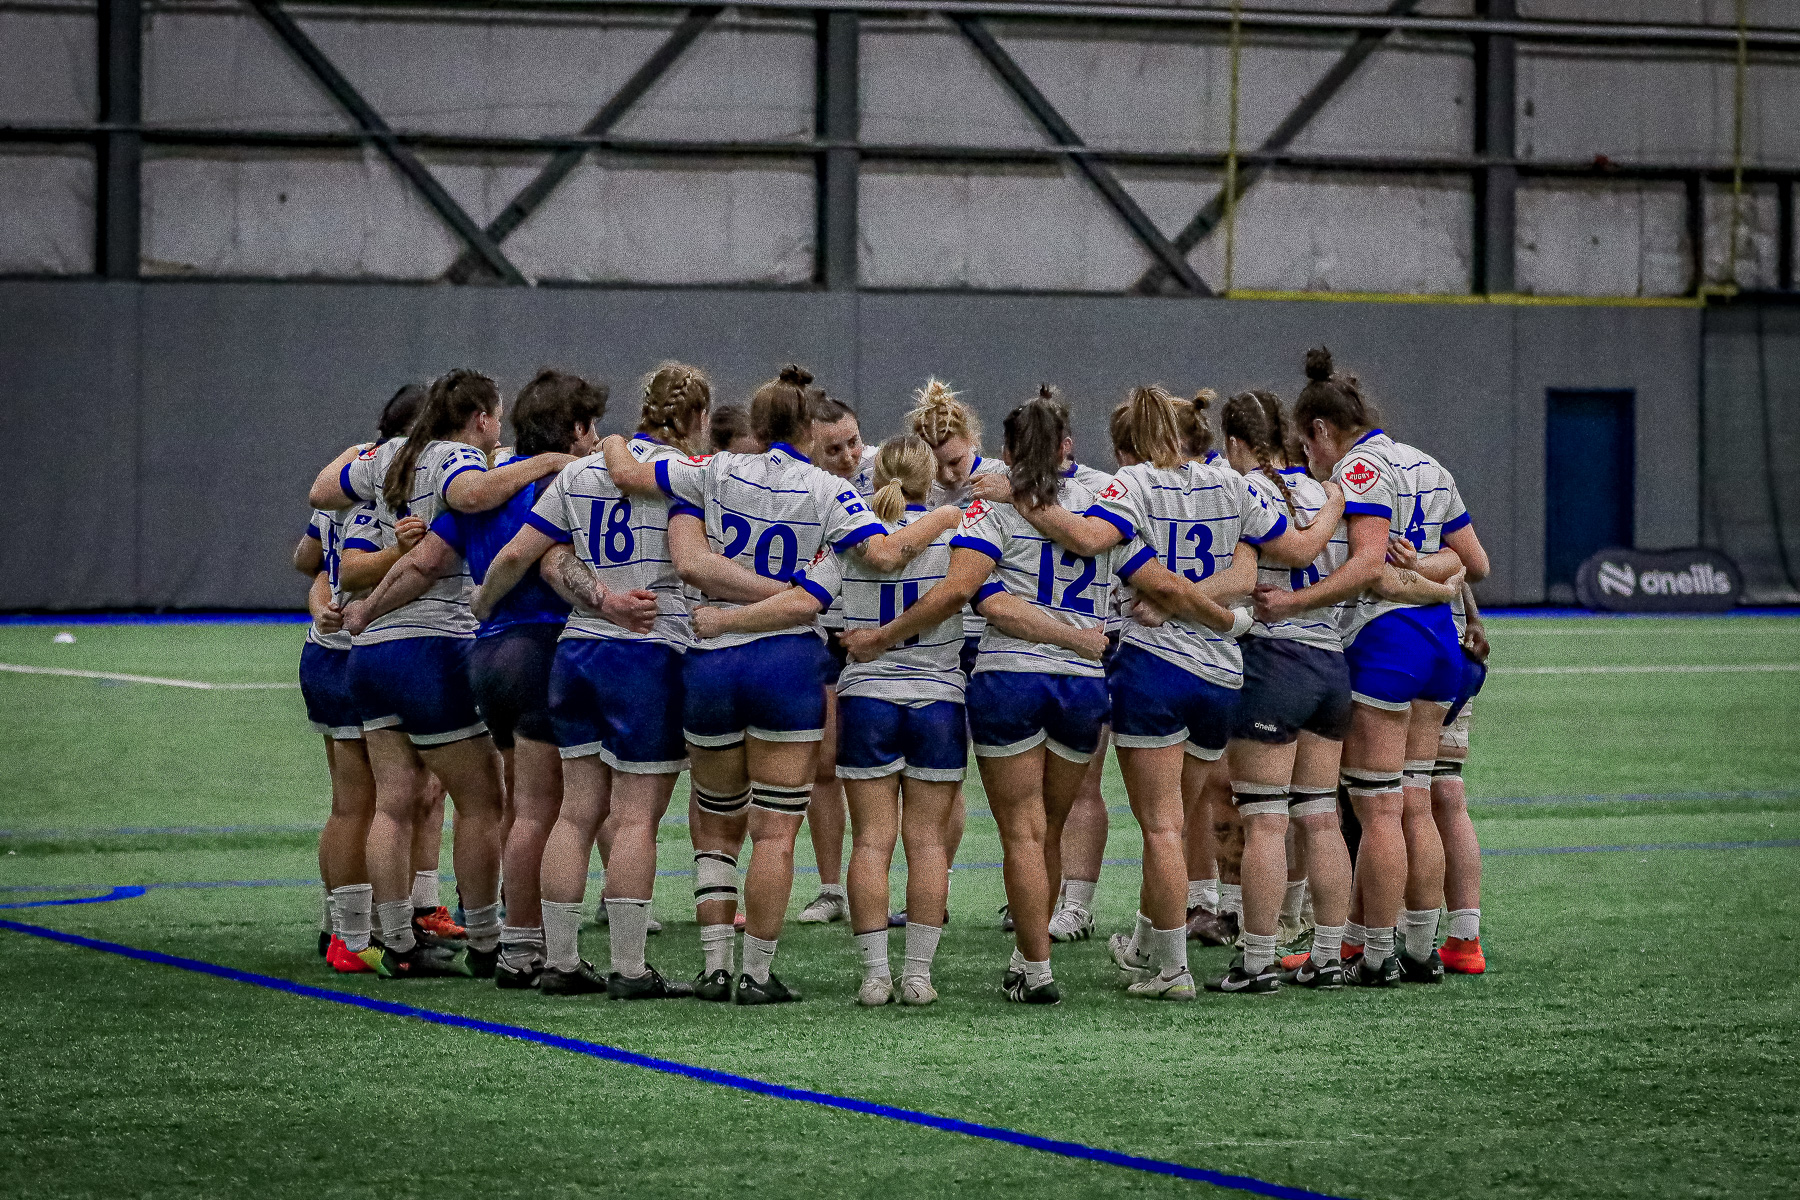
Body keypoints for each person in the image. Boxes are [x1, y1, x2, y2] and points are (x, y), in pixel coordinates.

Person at [697, 434, 1107, 1005]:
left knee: (871, 842)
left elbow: (801, 602)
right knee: (928, 843)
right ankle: (918, 976)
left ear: (872, 479)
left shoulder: (851, 542)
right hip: (938, 701)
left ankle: (874, 976)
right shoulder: (957, 538)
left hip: (867, 700)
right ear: (930, 480)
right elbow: (978, 598)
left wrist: (724, 621)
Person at [850, 388, 1228, 1003]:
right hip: (1081, 685)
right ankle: (1035, 958)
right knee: (1050, 829)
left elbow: (974, 594)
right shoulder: (1107, 499)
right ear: (1066, 446)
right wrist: (1223, 617)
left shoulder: (990, 506)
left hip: (1011, 679)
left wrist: (882, 637)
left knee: (1023, 835)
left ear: (1005, 452)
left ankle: (1036, 969)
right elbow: (1150, 575)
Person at [601, 364, 958, 1004]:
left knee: (716, 828)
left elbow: (629, 474)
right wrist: (948, 514)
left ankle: (714, 967)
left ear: (756, 424)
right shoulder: (830, 491)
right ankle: (758, 974)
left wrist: (605, 440)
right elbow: (883, 554)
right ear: (808, 431)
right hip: (787, 665)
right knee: (775, 831)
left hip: (712, 661)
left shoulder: (711, 470)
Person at [1011, 385, 1323, 999]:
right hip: (1220, 673)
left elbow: (1088, 539)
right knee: (1178, 822)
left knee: (1161, 828)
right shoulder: (1230, 483)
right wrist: (1334, 504)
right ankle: (1148, 944)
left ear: (1129, 446)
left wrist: (1022, 496)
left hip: (1155, 669)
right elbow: (1277, 556)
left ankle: (1171, 968)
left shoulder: (1131, 485)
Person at [343, 369, 606, 988]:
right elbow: (542, 562)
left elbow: (422, 560)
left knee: (412, 803)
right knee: (530, 808)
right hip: (529, 645)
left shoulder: (430, 470)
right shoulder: (538, 477)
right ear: (573, 429)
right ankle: (519, 945)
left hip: (472, 656)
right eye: (591, 426)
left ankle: (391, 936)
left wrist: (366, 609)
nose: (597, 437)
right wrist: (606, 601)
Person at [472, 362, 715, 997]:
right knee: (635, 819)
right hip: (648, 653)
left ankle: (559, 960)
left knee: (575, 814)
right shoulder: (691, 475)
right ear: (697, 416)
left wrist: (483, 604)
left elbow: (525, 555)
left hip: (576, 652)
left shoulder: (578, 473)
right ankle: (630, 968)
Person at [1216, 389, 1461, 991]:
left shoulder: (1248, 490)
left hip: (1275, 659)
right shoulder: (1331, 492)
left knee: (1266, 819)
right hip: (1331, 665)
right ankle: (1330, 954)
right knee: (1324, 817)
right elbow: (1418, 565)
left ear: (1236, 443)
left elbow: (1262, 566)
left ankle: (1257, 960)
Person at [795, 393, 877, 926]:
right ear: (809, 447)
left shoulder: (885, 469)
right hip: (825, 631)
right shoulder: (800, 486)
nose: (849, 456)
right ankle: (831, 889)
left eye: (853, 442)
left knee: (898, 770)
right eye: (834, 449)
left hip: (883, 635)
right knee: (824, 764)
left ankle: (919, 889)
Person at [1434, 581, 1490, 974]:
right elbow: (1472, 563)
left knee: (1386, 801)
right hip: (1455, 646)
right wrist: (1472, 616)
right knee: (1447, 794)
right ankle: (1465, 937)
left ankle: (1381, 938)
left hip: (1396, 646)